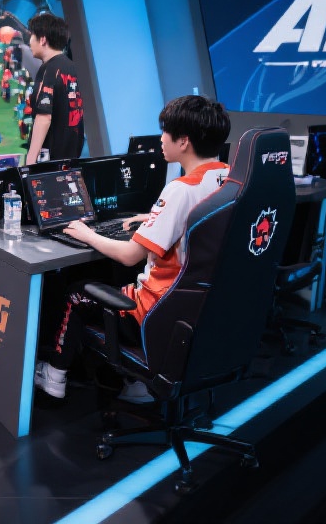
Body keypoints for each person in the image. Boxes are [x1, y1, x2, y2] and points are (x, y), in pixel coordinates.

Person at [33, 95, 231, 403]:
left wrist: (88, 234)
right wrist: (153, 217)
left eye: (166, 132)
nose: (161, 139)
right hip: (200, 311)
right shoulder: (229, 179)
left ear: (184, 141)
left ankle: (54, 377)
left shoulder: (181, 191)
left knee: (75, 293)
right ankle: (135, 381)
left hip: (154, 313)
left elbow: (129, 255)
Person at [24, 13, 84, 164]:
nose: (30, 41)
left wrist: (30, 160)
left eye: (32, 35)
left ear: (42, 39)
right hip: (72, 159)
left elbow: (44, 117)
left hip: (50, 162)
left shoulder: (49, 70)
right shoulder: (74, 68)